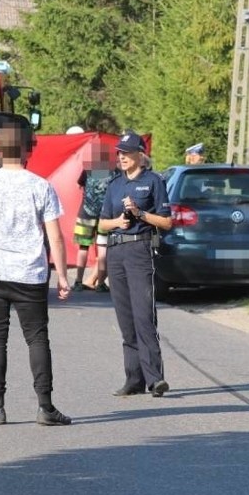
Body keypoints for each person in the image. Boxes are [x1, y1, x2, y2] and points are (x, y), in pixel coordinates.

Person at [0, 122, 73, 426]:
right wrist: (63, 276)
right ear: (28, 150)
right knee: (37, 339)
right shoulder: (41, 186)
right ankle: (45, 406)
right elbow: (56, 238)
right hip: (30, 275)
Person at [98, 130, 173, 398]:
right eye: (119, 153)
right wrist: (119, 221)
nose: (122, 157)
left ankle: (155, 379)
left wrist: (140, 213)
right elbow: (102, 222)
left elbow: (166, 222)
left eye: (127, 153)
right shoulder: (114, 184)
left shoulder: (154, 182)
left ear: (140, 154)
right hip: (116, 250)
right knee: (125, 319)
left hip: (140, 249)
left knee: (143, 316)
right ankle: (133, 379)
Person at [72, 142, 114, 293]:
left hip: (85, 212)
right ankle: (101, 284)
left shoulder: (89, 169)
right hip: (105, 216)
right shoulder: (113, 172)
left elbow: (80, 185)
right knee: (103, 249)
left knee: (83, 248)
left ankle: (78, 281)